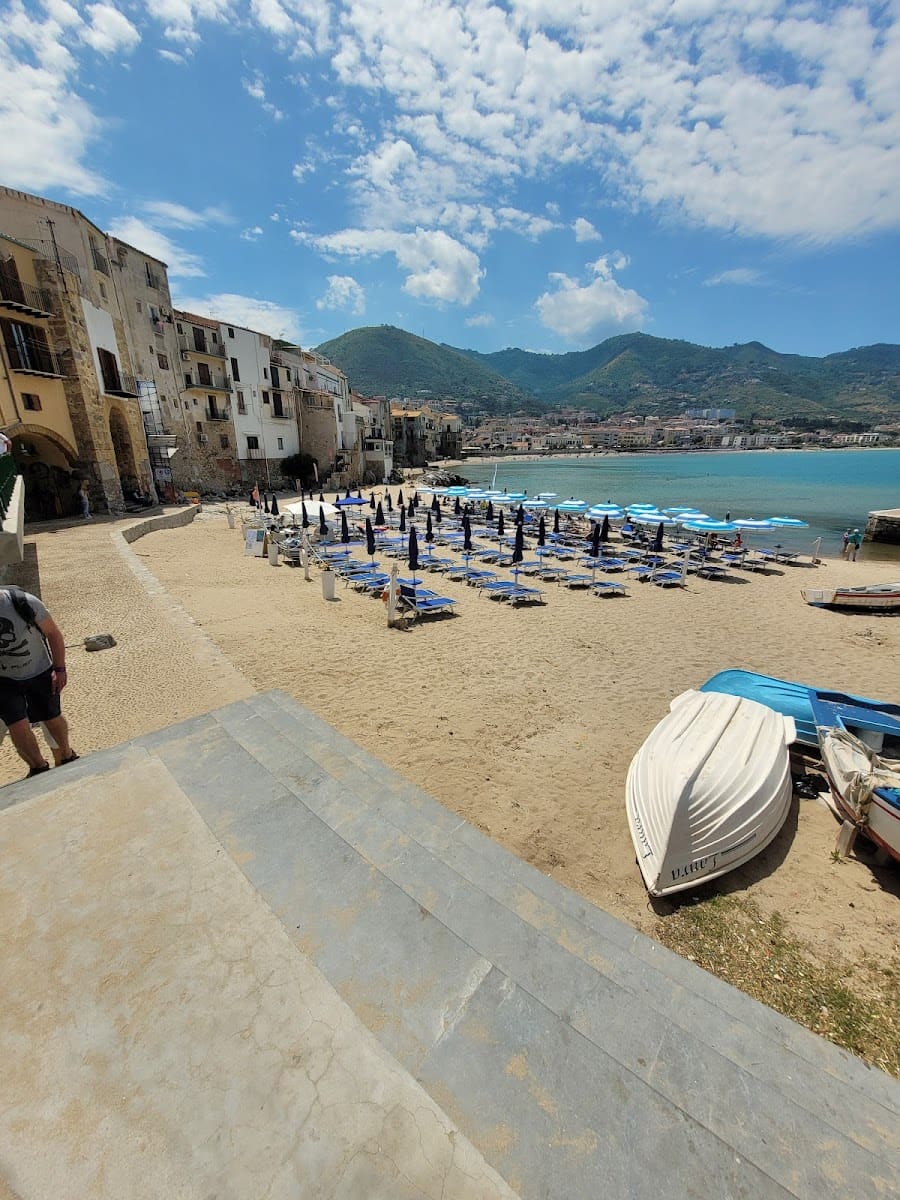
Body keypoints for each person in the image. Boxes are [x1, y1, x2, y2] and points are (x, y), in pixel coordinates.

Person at [0, 587, 78, 778]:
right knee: (17, 725)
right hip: (4, 680)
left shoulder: (24, 603)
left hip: (38, 670)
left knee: (51, 717)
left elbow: (53, 634)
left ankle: (66, 754)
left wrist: (59, 669)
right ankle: (38, 767)